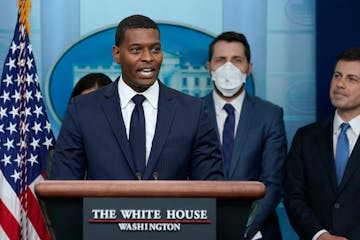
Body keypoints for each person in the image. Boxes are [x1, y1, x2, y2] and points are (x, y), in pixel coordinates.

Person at [50, 14, 224, 180]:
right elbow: (64, 184)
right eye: (136, 50)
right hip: (102, 211)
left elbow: (212, 187)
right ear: (117, 54)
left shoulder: (192, 111)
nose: (148, 58)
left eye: (155, 49)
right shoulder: (83, 110)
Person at [203, 31, 287, 240]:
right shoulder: (190, 113)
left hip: (256, 232)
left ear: (248, 68)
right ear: (209, 67)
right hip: (202, 229)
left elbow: (273, 182)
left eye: (237, 60)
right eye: (220, 60)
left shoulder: (270, 115)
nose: (228, 68)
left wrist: (243, 228)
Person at [284, 47, 360, 240]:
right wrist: (320, 235)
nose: (340, 84)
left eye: (352, 79)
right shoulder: (306, 137)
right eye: (337, 75)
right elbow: (294, 197)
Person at [46, 73, 112, 179]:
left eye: (94, 106)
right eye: (82, 106)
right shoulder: (57, 155)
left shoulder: (125, 153)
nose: (88, 114)